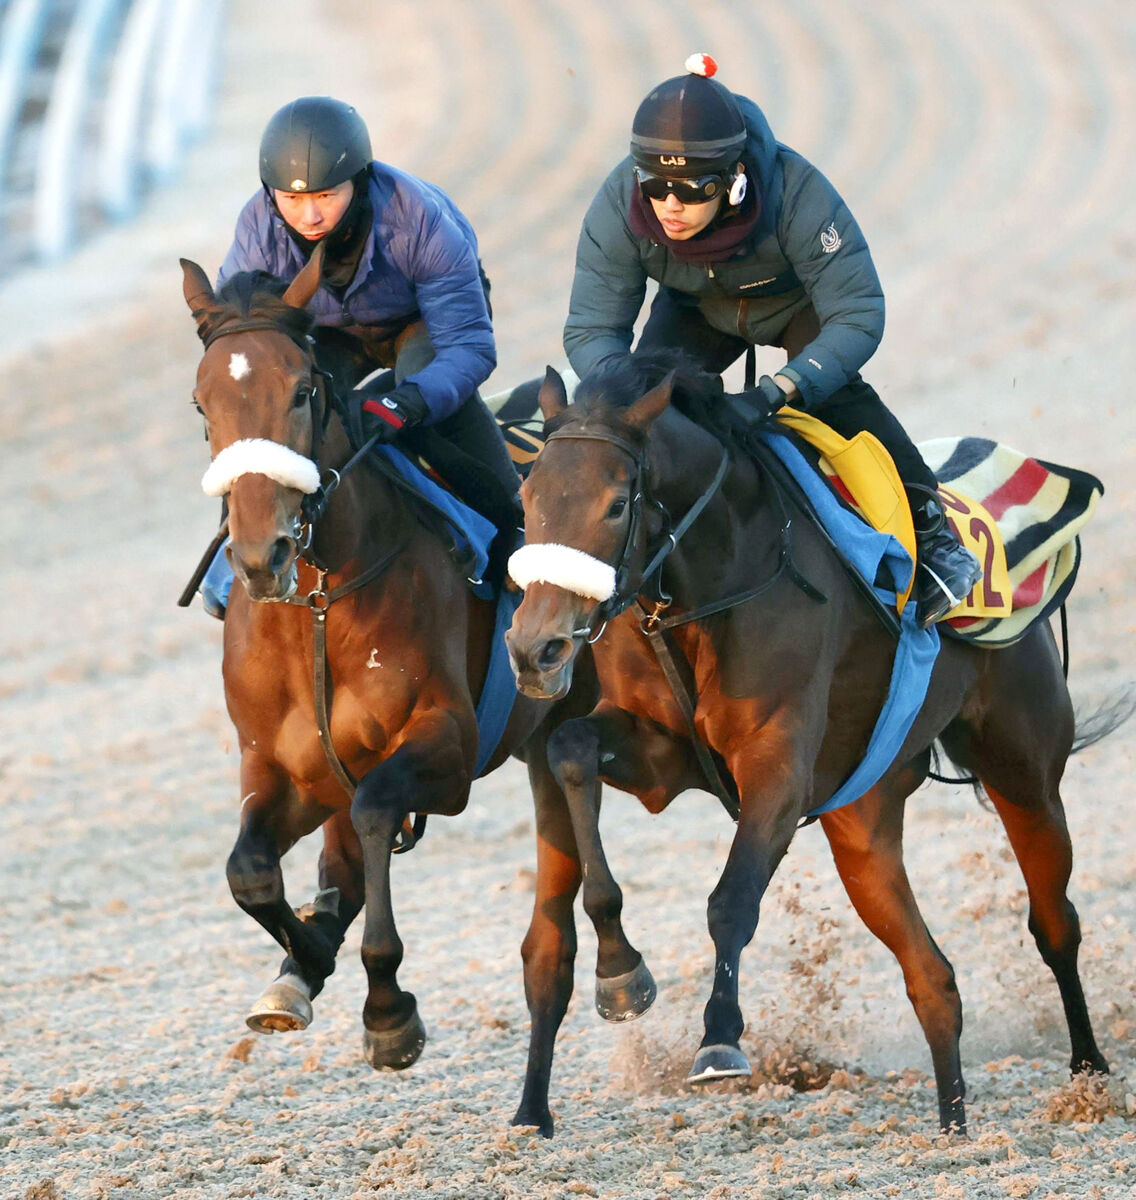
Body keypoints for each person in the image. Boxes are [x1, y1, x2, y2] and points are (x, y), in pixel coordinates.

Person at [563, 54, 981, 628]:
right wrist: (621, 395)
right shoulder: (618, 200)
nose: (670, 207)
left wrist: (777, 391)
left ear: (735, 180)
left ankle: (936, 536)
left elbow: (857, 313)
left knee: (837, 396)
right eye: (655, 187)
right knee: (645, 407)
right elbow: (592, 330)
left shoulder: (797, 190)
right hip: (697, 310)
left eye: (692, 188)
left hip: (796, 309)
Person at [202, 96, 520, 615]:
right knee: (273, 414)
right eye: (291, 199)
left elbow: (470, 348)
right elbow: (243, 345)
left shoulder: (420, 219)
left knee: (430, 415)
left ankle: (512, 527)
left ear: (361, 180)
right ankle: (232, 563)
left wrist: (407, 403)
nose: (309, 215)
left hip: (421, 322)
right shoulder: (256, 232)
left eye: (326, 195)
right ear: (270, 193)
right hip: (331, 332)